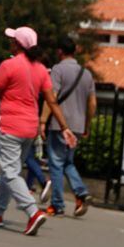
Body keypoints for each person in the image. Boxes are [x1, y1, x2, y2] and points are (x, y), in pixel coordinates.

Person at [0, 26, 76, 236]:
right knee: (11, 171)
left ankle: (33, 212)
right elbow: (52, 101)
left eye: (12, 40)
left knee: (10, 173)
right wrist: (65, 127)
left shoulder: (8, 65)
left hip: (10, 127)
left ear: (17, 45)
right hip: (30, 129)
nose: (10, 42)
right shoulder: (41, 69)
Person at [41, 35, 96, 217]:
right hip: (78, 126)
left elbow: (52, 97)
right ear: (75, 51)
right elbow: (92, 103)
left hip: (60, 124)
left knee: (56, 164)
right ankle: (81, 193)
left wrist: (42, 121)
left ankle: (57, 204)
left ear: (59, 52)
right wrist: (87, 124)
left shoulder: (57, 70)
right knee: (67, 162)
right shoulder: (86, 74)